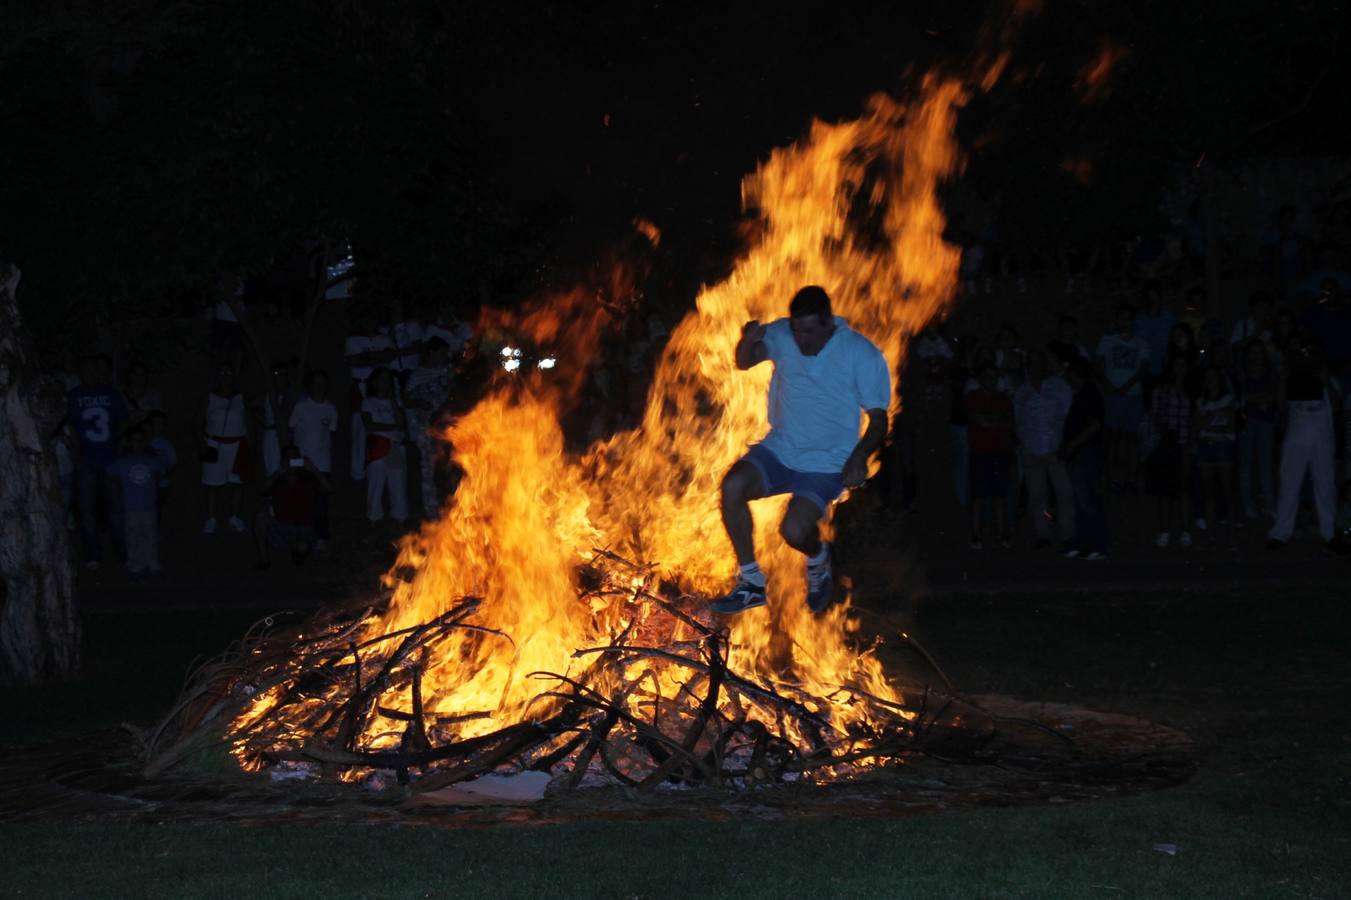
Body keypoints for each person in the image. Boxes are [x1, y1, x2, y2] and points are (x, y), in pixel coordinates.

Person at [710, 286, 890, 614]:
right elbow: (744, 361)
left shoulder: (861, 353)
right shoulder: (783, 333)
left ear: (828, 323)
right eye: (796, 331)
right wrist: (748, 340)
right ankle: (751, 583)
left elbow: (879, 419)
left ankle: (818, 559)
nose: (801, 340)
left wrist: (859, 456)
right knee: (732, 485)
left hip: (828, 463)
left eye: (808, 332)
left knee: (793, 531)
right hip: (780, 450)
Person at [1267, 337, 1338, 549]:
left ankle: (1330, 533)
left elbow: (1336, 406)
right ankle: (1280, 533)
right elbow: (1280, 406)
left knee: (1325, 484)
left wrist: (1324, 381)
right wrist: (1282, 379)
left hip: (1322, 434)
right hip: (1296, 432)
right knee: (1289, 483)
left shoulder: (1327, 379)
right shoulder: (1292, 378)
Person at [67, 354, 129, 568]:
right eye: (85, 369)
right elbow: (70, 425)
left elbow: (123, 421)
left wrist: (118, 444)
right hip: (86, 461)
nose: (90, 373)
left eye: (93, 368)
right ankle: (93, 554)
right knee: (87, 512)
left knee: (117, 511)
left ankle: (123, 554)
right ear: (79, 373)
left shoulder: (111, 393)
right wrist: (75, 448)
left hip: (110, 460)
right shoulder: (73, 396)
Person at [1013, 350, 1074, 550]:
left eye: (1038, 363)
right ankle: (1043, 534)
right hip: (1031, 448)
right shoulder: (1022, 391)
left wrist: (1066, 442)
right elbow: (1017, 419)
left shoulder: (1060, 387)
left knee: (1064, 493)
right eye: (1031, 363)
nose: (1035, 367)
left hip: (1056, 449)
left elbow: (1070, 415)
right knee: (1037, 495)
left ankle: (1067, 535)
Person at [1095, 304, 1150, 491]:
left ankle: (1131, 478)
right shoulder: (1106, 341)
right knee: (1113, 439)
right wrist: (1110, 387)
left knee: (1131, 439)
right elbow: (1098, 366)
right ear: (1117, 320)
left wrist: (1125, 387)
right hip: (1113, 397)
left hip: (1133, 397)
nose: (1125, 322)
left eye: (1129, 318)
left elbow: (1142, 370)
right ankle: (1112, 478)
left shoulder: (1142, 343)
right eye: (1122, 318)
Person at [253, 445, 330, 569]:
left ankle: (297, 551)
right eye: (289, 458)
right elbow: (262, 490)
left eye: (295, 458)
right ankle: (264, 559)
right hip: (282, 526)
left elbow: (328, 489)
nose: (292, 462)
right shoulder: (278, 479)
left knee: (302, 546)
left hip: (304, 527)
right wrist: (279, 471)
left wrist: (313, 469)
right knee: (260, 517)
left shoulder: (308, 479)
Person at [1061, 358, 1107, 560]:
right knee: (1081, 502)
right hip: (1081, 454)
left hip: (1087, 454)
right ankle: (1082, 543)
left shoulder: (1089, 394)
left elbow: (1095, 424)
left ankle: (1097, 546)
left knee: (1089, 502)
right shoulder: (1082, 394)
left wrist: (1073, 444)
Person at [965, 363, 1016, 550]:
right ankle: (976, 534)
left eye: (993, 376)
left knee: (1000, 495)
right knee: (978, 496)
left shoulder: (1004, 399)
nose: (990, 379)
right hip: (980, 452)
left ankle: (1003, 533)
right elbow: (979, 420)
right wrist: (994, 420)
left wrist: (989, 420)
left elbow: (1007, 421)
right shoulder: (973, 397)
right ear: (980, 379)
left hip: (1001, 451)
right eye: (986, 375)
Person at [1146, 355, 1195, 547]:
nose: (1180, 367)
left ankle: (1184, 529)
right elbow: (1156, 416)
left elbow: (1194, 417)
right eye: (1177, 363)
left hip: (1186, 443)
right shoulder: (1162, 390)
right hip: (1167, 442)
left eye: (1183, 363)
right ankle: (1164, 530)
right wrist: (1166, 436)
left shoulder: (1192, 389)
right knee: (1164, 488)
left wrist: (1190, 441)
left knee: (1183, 487)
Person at [288, 370, 339, 548]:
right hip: (301, 462)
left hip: (323, 461)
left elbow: (331, 433)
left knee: (321, 502)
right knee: (301, 500)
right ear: (309, 386)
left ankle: (321, 538)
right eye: (315, 383)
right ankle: (300, 537)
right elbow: (291, 429)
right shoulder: (301, 407)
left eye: (322, 383)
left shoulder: (331, 409)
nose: (319, 387)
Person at [199, 362, 252, 534]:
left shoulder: (241, 397)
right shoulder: (210, 397)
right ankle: (210, 518)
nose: (226, 375)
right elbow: (197, 421)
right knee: (211, 484)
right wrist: (200, 443)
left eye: (229, 372)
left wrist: (250, 445)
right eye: (222, 372)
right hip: (214, 444)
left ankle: (235, 516)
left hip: (237, 445)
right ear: (218, 375)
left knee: (237, 483)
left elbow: (248, 422)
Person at [405, 337, 455, 518]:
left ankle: (454, 508)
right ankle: (431, 510)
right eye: (442, 352)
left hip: (449, 430)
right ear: (432, 352)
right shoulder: (418, 374)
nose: (445, 356)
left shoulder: (451, 372)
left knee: (451, 467)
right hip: (425, 429)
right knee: (428, 469)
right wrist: (423, 403)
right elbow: (408, 400)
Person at [106, 425, 165, 575]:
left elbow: (161, 474)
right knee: (133, 536)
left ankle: (152, 562)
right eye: (134, 440)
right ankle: (136, 562)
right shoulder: (123, 461)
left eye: (140, 440)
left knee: (150, 534)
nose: (137, 444)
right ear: (129, 442)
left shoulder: (152, 460)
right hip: (130, 505)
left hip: (148, 505)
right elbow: (109, 474)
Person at [1195, 367, 1240, 547]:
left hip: (1223, 447)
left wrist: (1208, 423)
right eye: (1207, 377)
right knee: (1209, 494)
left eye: (1213, 377)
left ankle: (1231, 535)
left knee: (1227, 492)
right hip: (1206, 448)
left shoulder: (1229, 399)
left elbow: (1230, 426)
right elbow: (1198, 427)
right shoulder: (1200, 401)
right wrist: (1216, 416)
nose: (1210, 380)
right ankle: (1211, 534)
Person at [362, 367, 409, 524]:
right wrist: (392, 427)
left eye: (388, 379)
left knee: (398, 484)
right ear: (374, 382)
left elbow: (403, 424)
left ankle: (399, 517)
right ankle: (374, 517)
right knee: (375, 485)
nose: (385, 382)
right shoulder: (368, 401)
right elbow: (369, 425)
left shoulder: (394, 402)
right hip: (378, 446)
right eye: (381, 378)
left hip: (395, 446)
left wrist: (393, 401)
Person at [1236, 340, 1277, 518]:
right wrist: (1262, 399)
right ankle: (1248, 505)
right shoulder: (1242, 374)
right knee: (1246, 465)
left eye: (1259, 352)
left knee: (1266, 465)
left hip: (1266, 423)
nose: (1256, 356)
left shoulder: (1271, 374)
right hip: (1247, 422)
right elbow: (1241, 398)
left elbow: (1276, 395)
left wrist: (1257, 399)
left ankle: (1269, 504)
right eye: (1252, 352)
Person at [146, 410, 177, 519]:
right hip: (142, 482)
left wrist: (163, 476)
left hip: (160, 484)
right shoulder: (143, 441)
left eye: (162, 424)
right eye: (156, 423)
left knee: (156, 509)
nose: (159, 426)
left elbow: (172, 463)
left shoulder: (166, 444)